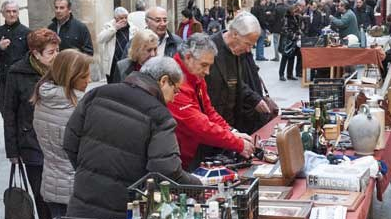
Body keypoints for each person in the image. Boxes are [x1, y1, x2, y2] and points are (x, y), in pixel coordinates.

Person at [64, 56, 201, 219]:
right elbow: (166, 171)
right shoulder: (160, 117)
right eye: (175, 90)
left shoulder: (97, 94)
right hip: (124, 208)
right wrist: (197, 186)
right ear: (164, 81)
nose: (173, 98)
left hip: (81, 206)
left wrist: (88, 172)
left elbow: (70, 142)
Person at [167, 33, 255, 171]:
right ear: (188, 57)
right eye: (204, 65)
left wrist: (232, 131)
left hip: (193, 152)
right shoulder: (176, 81)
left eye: (209, 66)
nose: (207, 72)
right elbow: (199, 126)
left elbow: (209, 111)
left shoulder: (195, 75)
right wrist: (237, 143)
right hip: (180, 158)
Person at [4, 28, 61, 219]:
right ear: (36, 53)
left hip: (59, 143)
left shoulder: (61, 69)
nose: (56, 56)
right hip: (32, 144)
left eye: (57, 50)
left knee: (61, 196)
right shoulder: (17, 72)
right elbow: (9, 112)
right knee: (41, 195)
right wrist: (13, 151)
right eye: (51, 52)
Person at [31, 49, 92, 219]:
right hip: (78, 188)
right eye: (84, 76)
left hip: (52, 183)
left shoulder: (42, 99)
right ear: (69, 77)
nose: (89, 80)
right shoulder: (80, 106)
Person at [206, 12, 270, 135]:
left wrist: (255, 99)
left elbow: (237, 82)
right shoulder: (209, 47)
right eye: (247, 44)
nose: (248, 50)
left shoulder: (238, 51)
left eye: (252, 45)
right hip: (211, 126)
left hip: (232, 124)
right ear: (235, 34)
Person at [0, 0, 30, 114]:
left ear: (18, 13)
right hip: (3, 82)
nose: (11, 14)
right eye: (8, 11)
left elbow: (31, 58)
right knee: (6, 114)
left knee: (22, 115)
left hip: (21, 81)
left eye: (14, 11)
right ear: (3, 13)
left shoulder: (27, 32)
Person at [98, 7, 129, 83]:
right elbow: (100, 39)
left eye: (126, 17)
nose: (124, 20)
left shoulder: (132, 27)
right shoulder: (108, 26)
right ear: (115, 18)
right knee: (112, 84)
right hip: (112, 62)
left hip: (127, 61)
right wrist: (115, 28)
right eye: (121, 18)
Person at [278, 4, 301, 81]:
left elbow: (297, 27)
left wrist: (299, 33)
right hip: (286, 41)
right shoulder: (286, 18)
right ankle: (281, 74)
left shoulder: (295, 17)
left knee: (292, 58)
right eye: (295, 11)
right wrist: (295, 36)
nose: (296, 13)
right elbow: (285, 30)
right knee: (284, 58)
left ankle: (289, 74)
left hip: (293, 41)